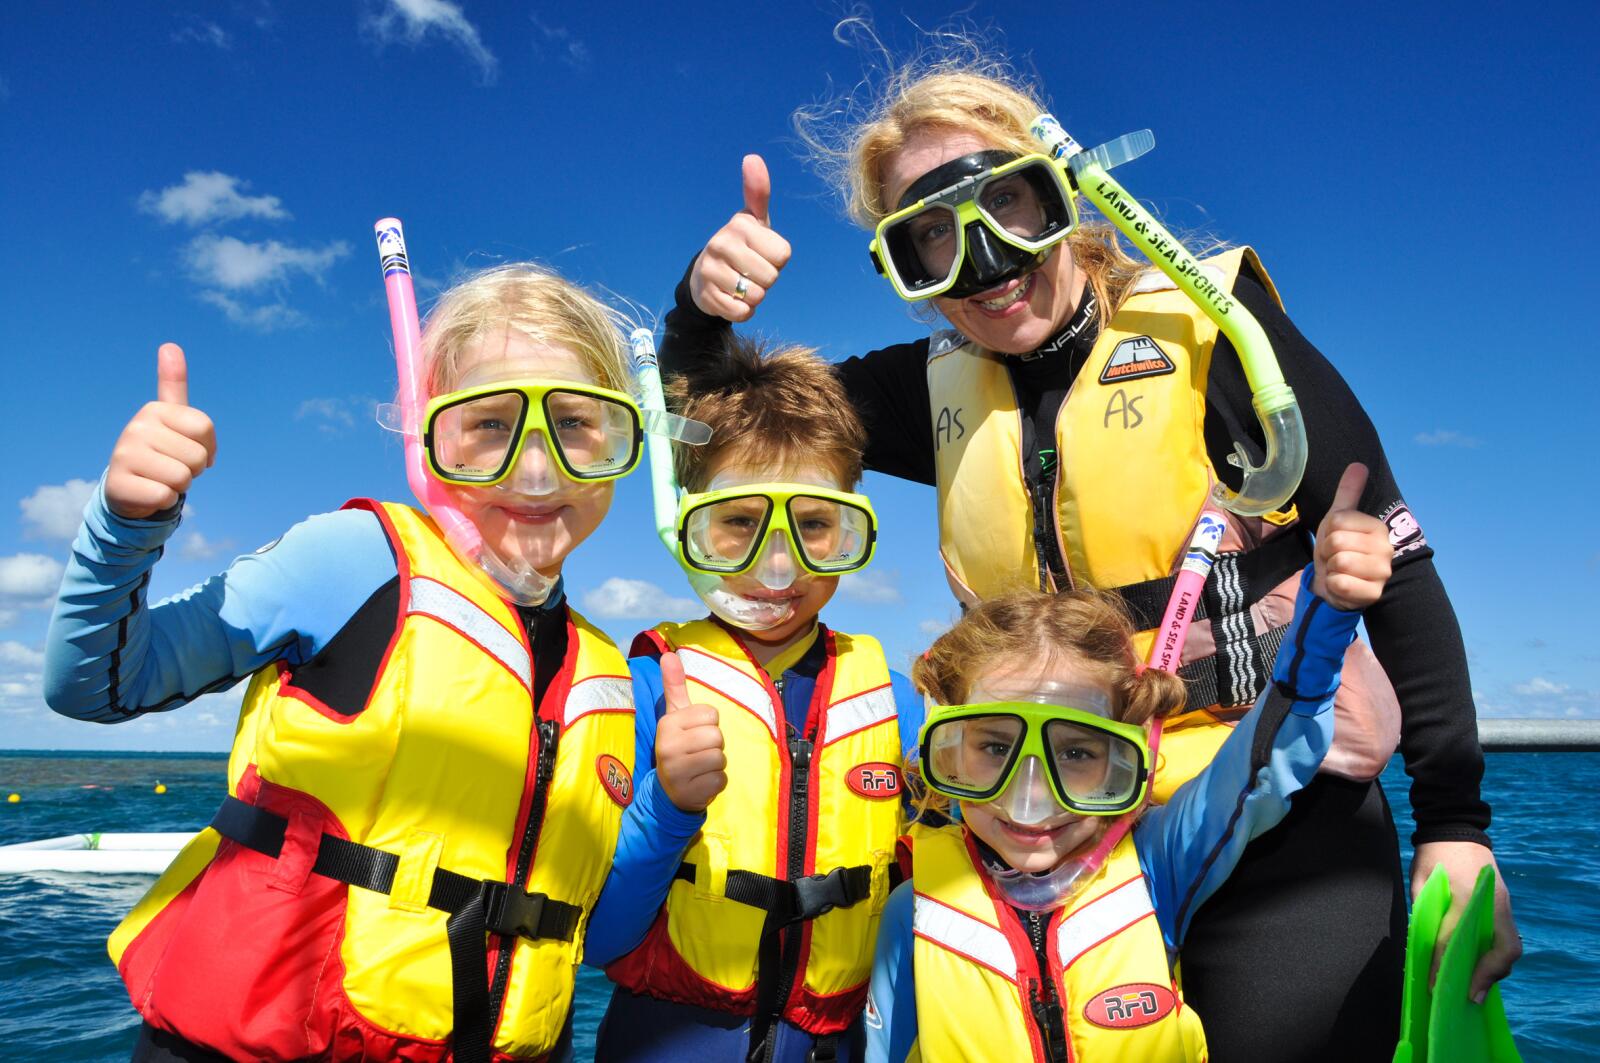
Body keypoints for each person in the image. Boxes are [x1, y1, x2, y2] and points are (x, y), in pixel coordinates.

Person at [661, 60, 1519, 1060]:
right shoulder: (924, 392)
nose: (977, 262)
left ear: (1064, 194)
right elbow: (721, 423)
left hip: (1273, 818)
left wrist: (1456, 824)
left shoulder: (1213, 333)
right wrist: (701, 311)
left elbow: (1396, 558)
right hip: (1040, 839)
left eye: (1004, 205)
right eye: (926, 239)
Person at [44, 265, 644, 1063]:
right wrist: (125, 523)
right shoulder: (355, 563)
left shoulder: (602, 670)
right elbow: (95, 682)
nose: (535, 470)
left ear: (624, 441)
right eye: (489, 425)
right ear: (426, 436)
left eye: (574, 424)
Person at [868, 464, 1393, 1061]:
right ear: (947, 752)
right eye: (994, 748)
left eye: (1075, 752)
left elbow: (1263, 759)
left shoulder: (1157, 866)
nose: (1030, 796)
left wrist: (1325, 615)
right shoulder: (910, 915)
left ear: (1128, 762)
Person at [583, 336, 924, 1063]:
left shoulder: (898, 704)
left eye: (813, 527)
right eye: (739, 522)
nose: (778, 565)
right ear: (687, 524)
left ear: (850, 527)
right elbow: (601, 936)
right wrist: (668, 804)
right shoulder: (641, 688)